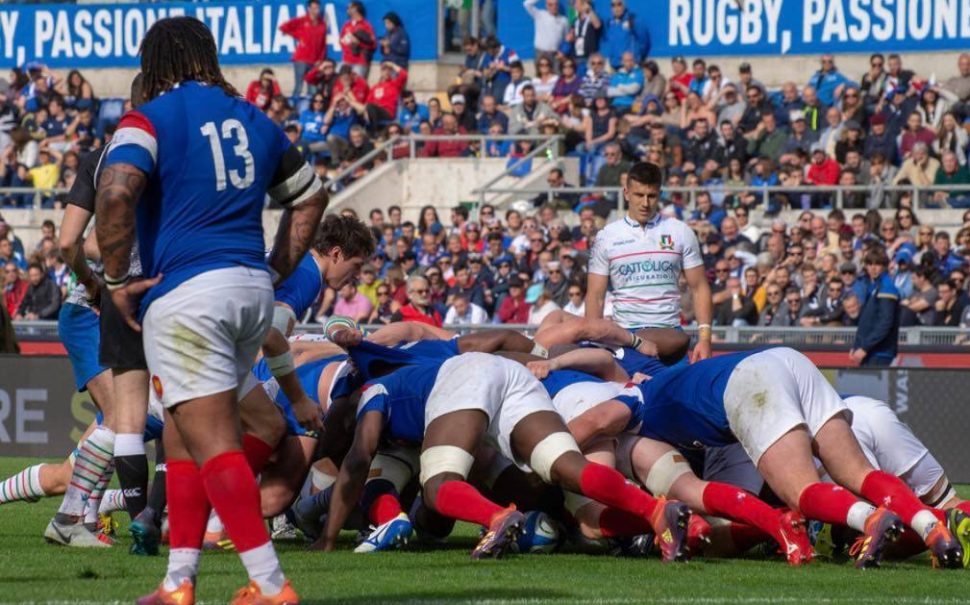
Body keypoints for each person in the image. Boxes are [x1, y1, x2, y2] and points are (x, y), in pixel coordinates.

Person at [93, 17, 327, 603]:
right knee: (180, 438)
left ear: (155, 63)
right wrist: (274, 270)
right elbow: (310, 195)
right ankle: (178, 581)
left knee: (215, 442)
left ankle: (270, 585)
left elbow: (116, 192)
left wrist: (117, 280)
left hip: (189, 295)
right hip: (249, 292)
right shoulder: (254, 118)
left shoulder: (150, 118)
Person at [319, 346, 691, 562]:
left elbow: (359, 457)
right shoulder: (409, 383)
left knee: (438, 485)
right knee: (567, 466)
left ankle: (496, 517)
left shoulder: (371, 392)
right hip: (509, 373)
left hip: (465, 379)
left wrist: (329, 538)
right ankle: (654, 511)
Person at [587, 162, 713, 361]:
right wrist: (594, 343)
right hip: (625, 337)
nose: (645, 203)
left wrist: (705, 339)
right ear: (626, 193)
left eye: (651, 196)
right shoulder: (606, 236)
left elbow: (699, 287)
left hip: (670, 335)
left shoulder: (680, 231)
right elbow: (595, 296)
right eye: (639, 195)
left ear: (660, 194)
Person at [851, 247, 900, 367]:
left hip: (880, 352)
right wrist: (857, 346)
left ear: (884, 266)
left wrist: (865, 347)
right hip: (870, 351)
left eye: (877, 264)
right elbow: (866, 321)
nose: (873, 268)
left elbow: (885, 323)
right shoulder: (873, 287)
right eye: (869, 264)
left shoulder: (886, 287)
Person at [278, 0, 327, 98]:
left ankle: (310, 107)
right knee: (299, 87)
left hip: (314, 62)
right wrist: (298, 35)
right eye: (313, 8)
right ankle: (293, 106)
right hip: (301, 59)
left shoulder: (322, 25)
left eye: (317, 8)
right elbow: (283, 27)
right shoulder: (302, 20)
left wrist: (321, 60)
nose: (315, 10)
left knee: (313, 89)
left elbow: (323, 45)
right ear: (309, 9)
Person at [523, 0, 569, 64]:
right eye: (551, 5)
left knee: (557, 70)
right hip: (541, 53)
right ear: (546, 6)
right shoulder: (540, 15)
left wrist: (562, 51)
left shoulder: (564, 20)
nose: (554, 7)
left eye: (556, 4)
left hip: (555, 54)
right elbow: (526, 4)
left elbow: (566, 38)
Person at [340, 2, 377, 78]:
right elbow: (341, 40)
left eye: (350, 7)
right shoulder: (347, 25)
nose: (347, 9)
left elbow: (373, 45)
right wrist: (347, 46)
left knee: (358, 84)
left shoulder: (366, 25)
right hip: (347, 61)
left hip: (360, 62)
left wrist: (358, 43)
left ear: (356, 9)